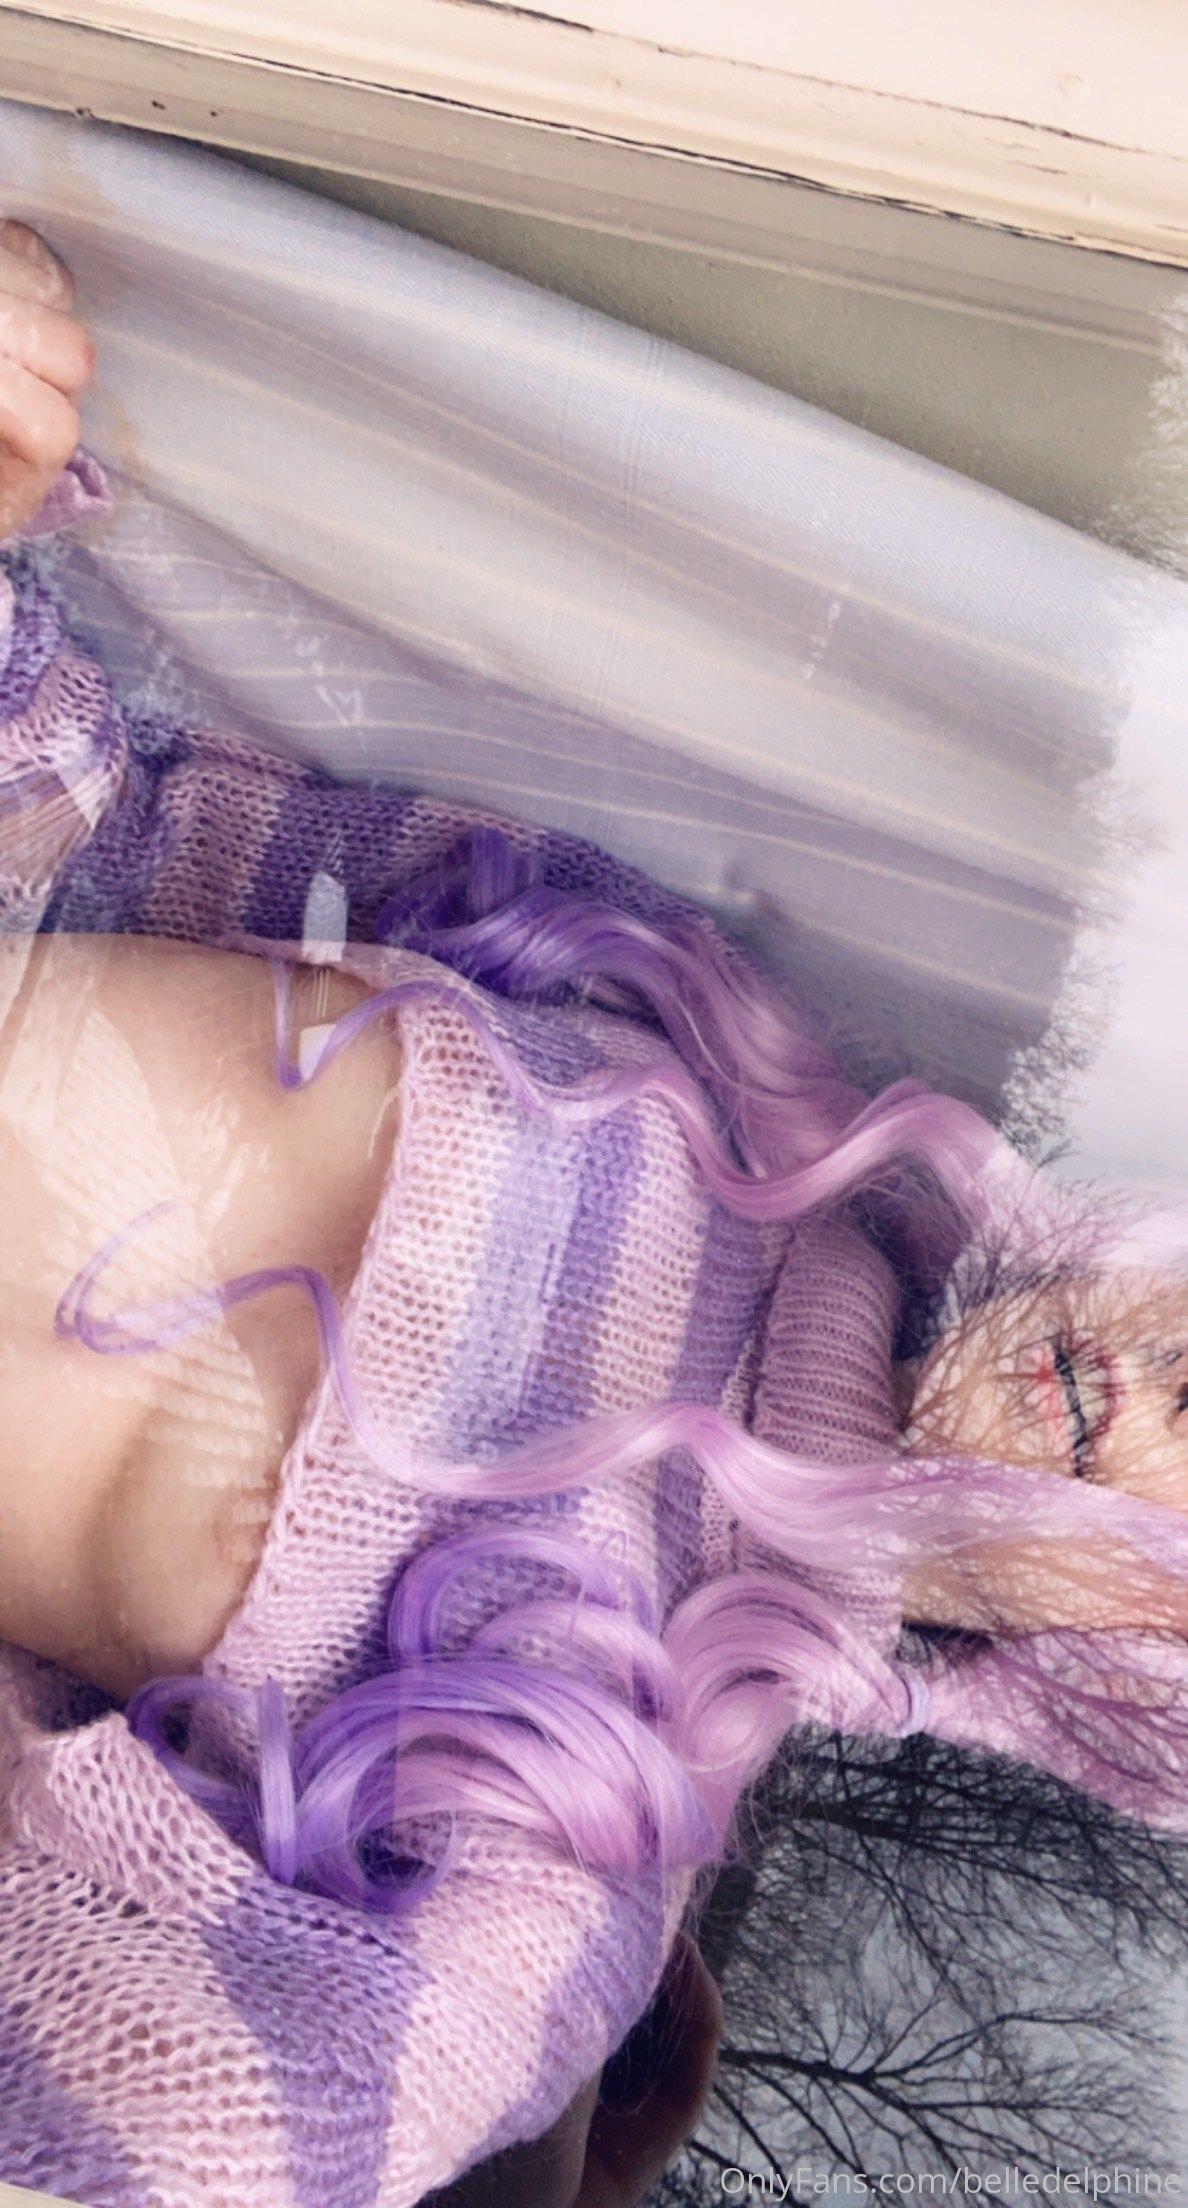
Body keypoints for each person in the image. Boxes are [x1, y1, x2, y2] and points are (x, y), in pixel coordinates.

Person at [2, 219, 1188, 2208]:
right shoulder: (713, 1056)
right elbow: (122, 826)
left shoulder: (579, 1797)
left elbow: (227, 2115)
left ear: (1143, 1701)